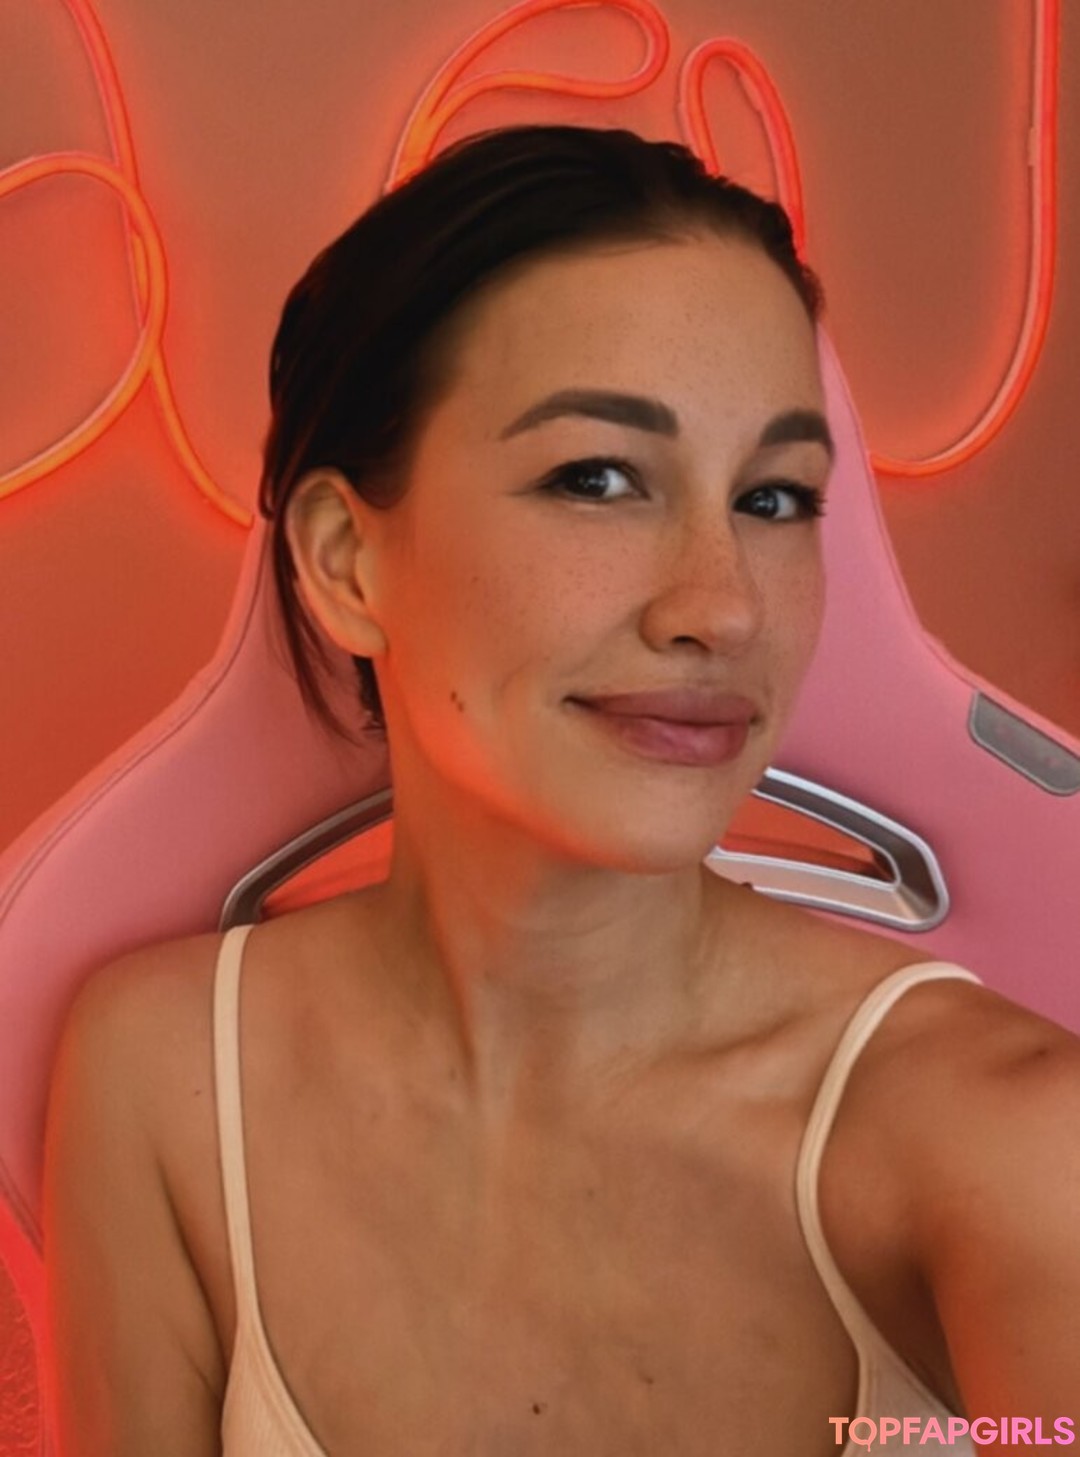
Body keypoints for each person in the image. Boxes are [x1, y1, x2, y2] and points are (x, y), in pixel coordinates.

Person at [42, 124, 1079, 1455]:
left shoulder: (1011, 1151)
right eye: (597, 478)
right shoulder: (166, 1077)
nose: (723, 608)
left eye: (775, 498)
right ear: (349, 560)